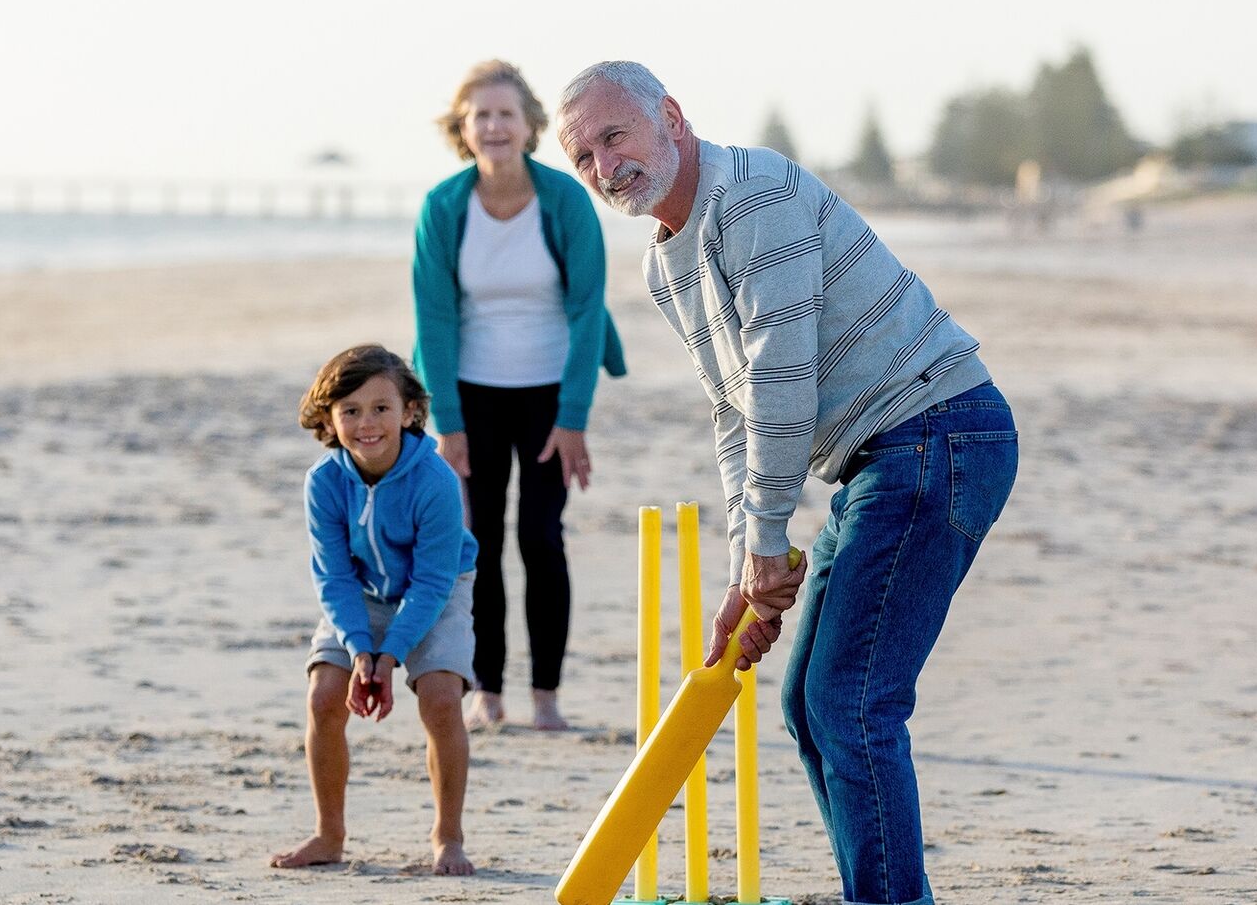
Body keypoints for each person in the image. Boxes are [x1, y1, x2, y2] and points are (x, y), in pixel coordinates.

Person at [555, 61, 1019, 905]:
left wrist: (771, 540)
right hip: (884, 457)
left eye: (613, 135)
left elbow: (780, 375)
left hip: (936, 431)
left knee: (853, 704)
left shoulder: (752, 195)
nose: (602, 166)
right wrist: (749, 565)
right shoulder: (668, 263)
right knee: (811, 706)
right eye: (582, 155)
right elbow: (734, 415)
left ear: (670, 116)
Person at [412, 59, 626, 732]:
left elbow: (589, 309)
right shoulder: (444, 207)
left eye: (506, 113)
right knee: (475, 540)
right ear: (463, 128)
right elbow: (434, 319)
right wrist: (446, 425)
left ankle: (547, 696)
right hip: (468, 395)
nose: (495, 126)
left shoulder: (563, 200)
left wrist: (573, 419)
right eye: (482, 115)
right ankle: (489, 692)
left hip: (547, 392)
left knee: (541, 536)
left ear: (530, 125)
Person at [270, 344, 480, 876]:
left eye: (381, 408)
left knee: (438, 697)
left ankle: (447, 836)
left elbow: (433, 581)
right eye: (351, 411)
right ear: (328, 417)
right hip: (362, 592)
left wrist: (390, 658)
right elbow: (333, 576)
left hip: (439, 588)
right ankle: (328, 834)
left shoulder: (435, 479)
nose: (367, 424)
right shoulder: (323, 481)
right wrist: (362, 650)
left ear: (409, 411)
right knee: (323, 696)